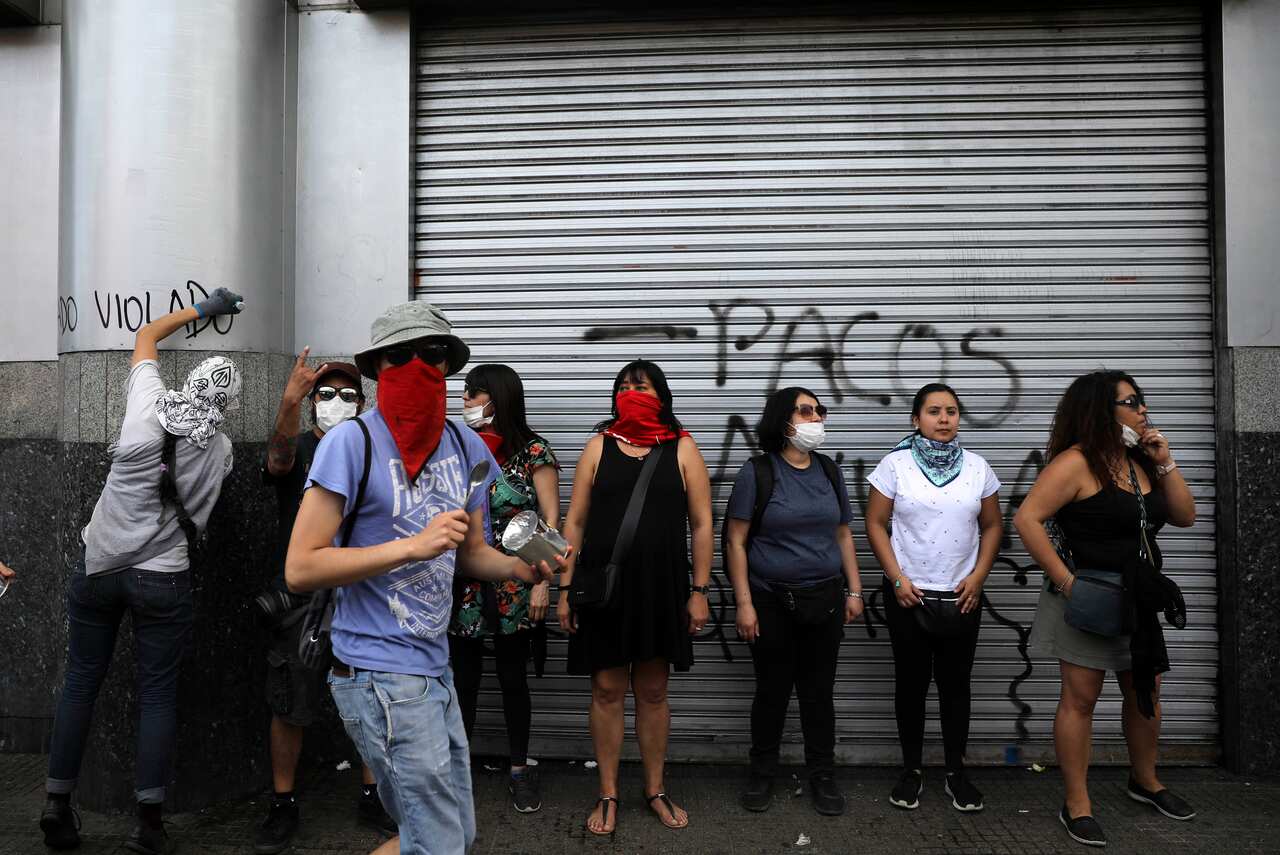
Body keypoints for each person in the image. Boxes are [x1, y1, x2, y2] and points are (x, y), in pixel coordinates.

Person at [285, 302, 562, 855]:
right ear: (377, 368)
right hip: (376, 672)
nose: (417, 366)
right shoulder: (351, 443)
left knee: (450, 835)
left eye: (431, 354)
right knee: (439, 843)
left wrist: (520, 567)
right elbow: (301, 567)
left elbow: (472, 553)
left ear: (447, 366)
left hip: (434, 669)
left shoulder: (465, 446)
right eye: (399, 356)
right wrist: (412, 546)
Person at [40, 290, 245, 855]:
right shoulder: (222, 451)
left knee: (80, 682)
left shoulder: (146, 403)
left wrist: (204, 309)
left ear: (187, 384)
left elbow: (146, 334)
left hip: (99, 568)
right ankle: (149, 825)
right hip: (162, 577)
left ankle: (56, 804)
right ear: (226, 406)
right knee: (157, 695)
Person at [1014, 370, 1197, 848]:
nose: (1142, 409)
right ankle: (1077, 803)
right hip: (1090, 596)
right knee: (1081, 698)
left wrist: (1165, 461)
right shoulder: (1076, 463)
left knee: (1145, 689)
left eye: (1141, 400)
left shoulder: (1141, 460)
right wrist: (1067, 582)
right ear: (1101, 411)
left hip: (1137, 597)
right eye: (1130, 402)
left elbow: (1185, 515)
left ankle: (1145, 780)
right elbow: (1027, 519)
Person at [557, 359, 713, 835]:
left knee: (653, 690)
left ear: (661, 396)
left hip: (660, 588)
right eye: (623, 387)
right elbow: (575, 521)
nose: (631, 393)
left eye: (641, 387)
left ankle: (655, 788)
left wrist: (700, 591)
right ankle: (608, 792)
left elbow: (702, 524)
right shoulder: (598, 446)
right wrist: (564, 588)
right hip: (603, 588)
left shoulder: (682, 447)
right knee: (606, 689)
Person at [254, 352, 395, 854]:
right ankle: (283, 802)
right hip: (301, 600)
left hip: (361, 592)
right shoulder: (300, 447)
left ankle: (374, 794)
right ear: (314, 402)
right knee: (290, 701)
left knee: (372, 697)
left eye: (348, 394)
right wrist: (288, 404)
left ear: (363, 402)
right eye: (326, 394)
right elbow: (277, 463)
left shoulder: (371, 448)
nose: (337, 402)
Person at [724, 386, 863, 817]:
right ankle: (763, 772)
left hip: (825, 599)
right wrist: (744, 603)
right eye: (805, 411)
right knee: (772, 691)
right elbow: (735, 540)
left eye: (819, 411)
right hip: (770, 600)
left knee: (819, 693)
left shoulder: (829, 471)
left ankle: (822, 774)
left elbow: (843, 533)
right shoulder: (758, 472)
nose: (816, 418)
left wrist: (854, 591)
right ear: (783, 420)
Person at [865, 383, 1002, 814]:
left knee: (955, 687)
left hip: (962, 597)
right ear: (916, 419)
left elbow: (994, 526)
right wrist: (897, 579)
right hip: (911, 596)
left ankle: (956, 773)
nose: (944, 419)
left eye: (951, 411)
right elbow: (875, 522)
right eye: (934, 411)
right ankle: (912, 770)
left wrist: (978, 578)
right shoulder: (895, 465)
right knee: (911, 686)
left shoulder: (978, 467)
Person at [449, 363, 559, 814]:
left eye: (474, 393)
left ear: (498, 398)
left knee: (513, 678)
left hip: (517, 583)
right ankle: (456, 774)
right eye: (465, 392)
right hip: (465, 584)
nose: (465, 400)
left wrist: (543, 584)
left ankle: (518, 768)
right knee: (463, 680)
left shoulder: (532, 452)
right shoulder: (459, 448)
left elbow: (551, 521)